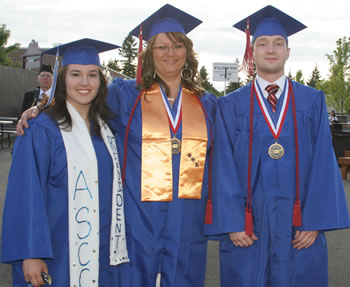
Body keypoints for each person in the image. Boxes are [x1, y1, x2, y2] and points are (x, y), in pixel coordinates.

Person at [16, 5, 216, 287]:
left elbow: (224, 162)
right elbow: (80, 98)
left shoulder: (207, 104)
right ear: (149, 53)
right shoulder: (126, 96)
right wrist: (39, 108)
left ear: (188, 51)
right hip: (137, 224)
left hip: (186, 222)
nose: (170, 53)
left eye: (177, 45)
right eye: (161, 47)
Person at [205, 5, 350, 287]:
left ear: (288, 51)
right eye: (262, 44)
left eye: (278, 43)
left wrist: (315, 221)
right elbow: (222, 164)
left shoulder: (312, 101)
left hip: (299, 223)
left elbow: (323, 160)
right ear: (252, 52)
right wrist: (233, 222)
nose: (270, 49)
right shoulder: (229, 105)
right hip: (248, 225)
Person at [1, 38, 129, 287]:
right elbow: (26, 193)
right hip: (56, 247)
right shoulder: (41, 129)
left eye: (92, 75)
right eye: (75, 74)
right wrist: (31, 252)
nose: (84, 82)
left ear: (101, 81)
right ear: (62, 79)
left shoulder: (106, 128)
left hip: (101, 247)